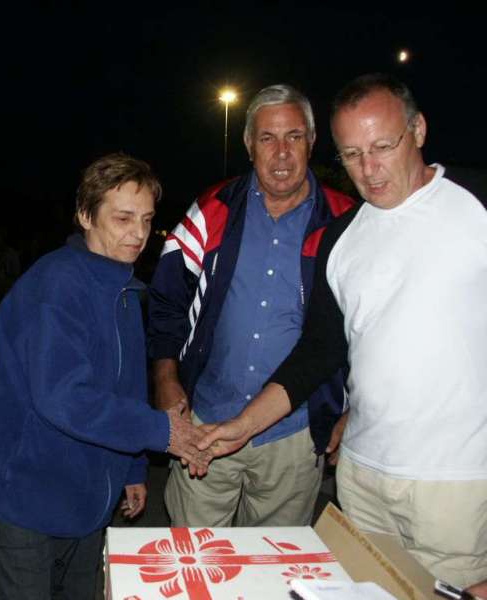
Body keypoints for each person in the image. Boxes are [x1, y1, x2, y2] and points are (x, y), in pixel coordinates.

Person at [198, 73, 487, 588]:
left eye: (382, 146)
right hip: (359, 476)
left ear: (418, 130)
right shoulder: (340, 236)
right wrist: (245, 425)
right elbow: (319, 351)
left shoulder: (474, 203)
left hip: (456, 483)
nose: (369, 170)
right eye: (352, 154)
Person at [0, 153, 210, 600]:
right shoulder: (57, 285)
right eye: (123, 218)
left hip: (87, 500)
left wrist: (133, 467)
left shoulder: (123, 290)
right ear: (85, 215)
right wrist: (162, 432)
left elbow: (126, 390)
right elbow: (63, 397)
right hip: (26, 495)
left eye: (147, 219)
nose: (139, 233)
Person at [148, 84, 354, 528]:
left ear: (312, 142)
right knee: (197, 561)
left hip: (295, 434)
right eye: (267, 138)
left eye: (294, 137)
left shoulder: (345, 223)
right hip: (206, 421)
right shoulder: (211, 210)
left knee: (274, 570)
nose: (281, 152)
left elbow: (366, 332)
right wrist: (165, 378)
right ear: (248, 145)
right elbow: (166, 301)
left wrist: (355, 409)